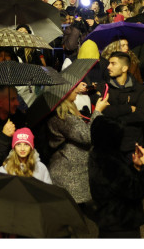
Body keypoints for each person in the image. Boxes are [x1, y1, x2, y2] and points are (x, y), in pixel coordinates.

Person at [88, 115, 144, 238]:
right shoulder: (110, 164)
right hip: (121, 227)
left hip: (109, 223)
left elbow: (121, 185)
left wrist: (135, 168)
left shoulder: (98, 155)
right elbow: (135, 190)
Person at [47, 79, 93, 208]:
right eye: (73, 88)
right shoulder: (62, 116)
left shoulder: (69, 111)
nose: (77, 90)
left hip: (72, 171)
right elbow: (87, 136)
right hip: (67, 173)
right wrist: (98, 113)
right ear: (64, 93)